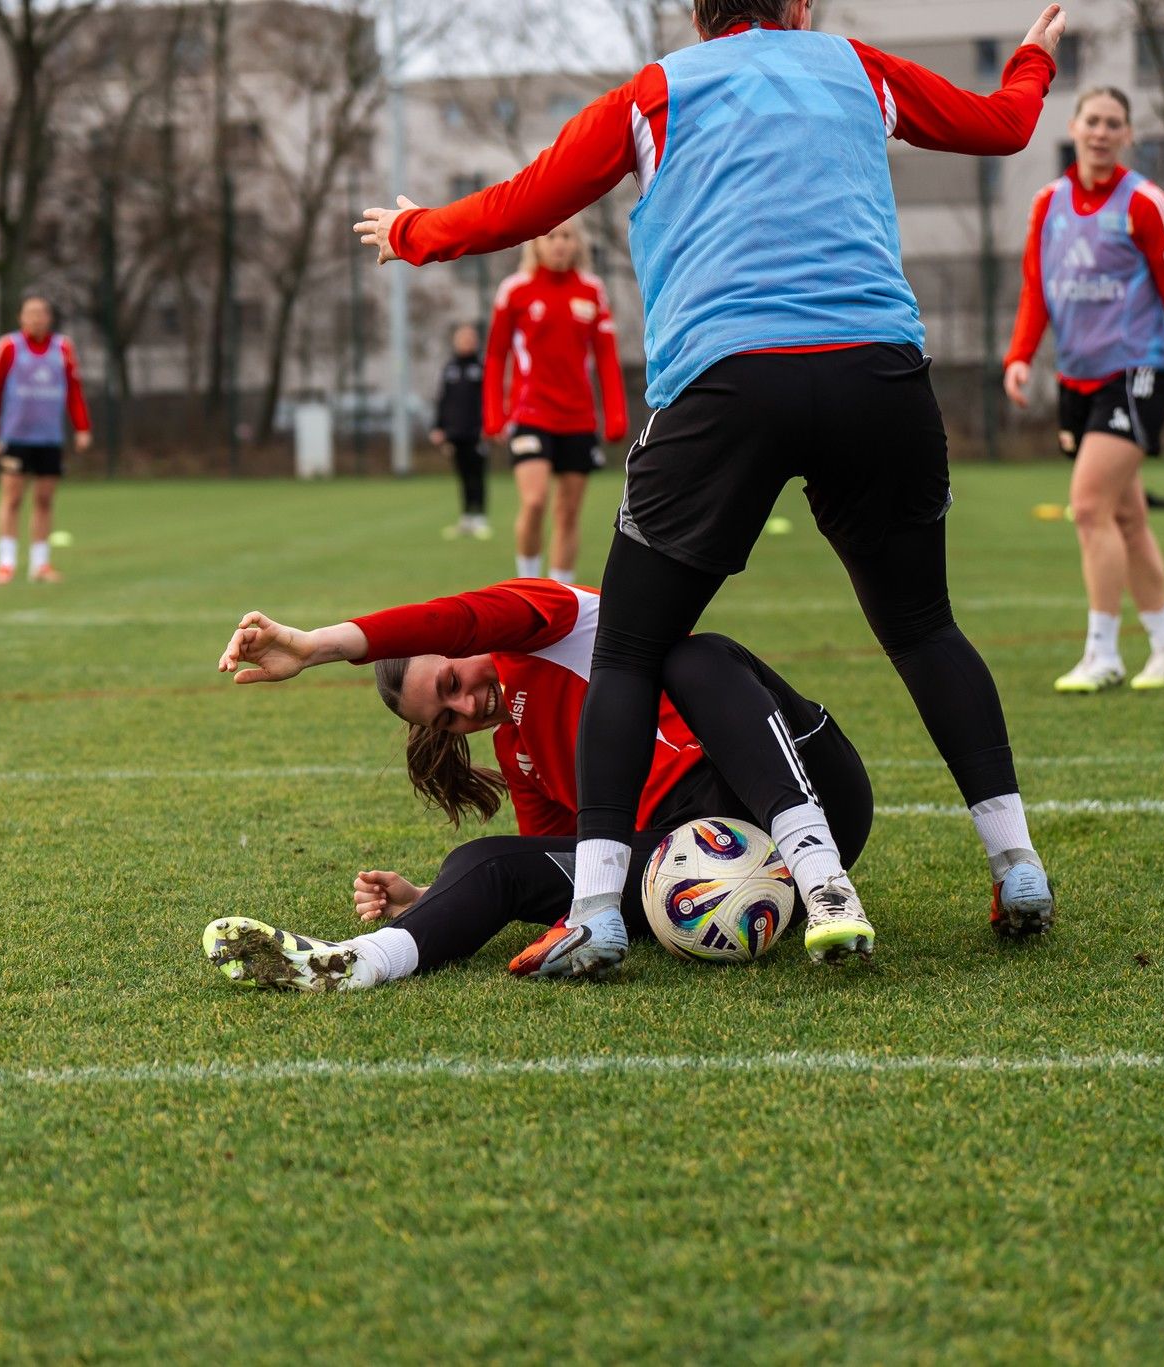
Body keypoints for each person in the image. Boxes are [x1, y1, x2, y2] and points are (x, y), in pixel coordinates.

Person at [355, 0, 1067, 979]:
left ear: (697, 14)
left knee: (634, 649)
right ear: (800, 7)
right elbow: (1004, 126)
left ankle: (598, 911)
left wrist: (412, 230)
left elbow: (525, 203)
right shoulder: (853, 66)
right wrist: (1030, 58)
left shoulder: (657, 90)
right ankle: (1015, 859)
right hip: (878, 373)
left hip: (725, 382)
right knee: (921, 626)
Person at [201, 577, 875, 989]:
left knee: (702, 656)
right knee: (484, 860)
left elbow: (457, 617)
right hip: (693, 875)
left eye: (451, 682)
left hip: (804, 788)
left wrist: (318, 645)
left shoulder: (551, 625)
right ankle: (357, 963)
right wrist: (432, 898)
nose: (466, 706)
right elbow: (559, 867)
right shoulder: (517, 751)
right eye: (446, 717)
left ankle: (825, 880)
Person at [1003, 86, 1164, 693]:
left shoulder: (1148, 204)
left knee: (1089, 507)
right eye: (1092, 121)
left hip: (1136, 376)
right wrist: (1020, 355)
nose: (1101, 132)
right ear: (1073, 127)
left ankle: (1103, 654)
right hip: (1076, 380)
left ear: (1127, 135)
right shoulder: (1048, 204)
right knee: (1127, 518)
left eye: (1114, 124)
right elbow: (1034, 288)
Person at [484, 221, 629, 582]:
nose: (560, 244)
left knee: (567, 513)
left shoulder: (592, 291)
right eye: (551, 236)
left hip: (578, 419)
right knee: (534, 502)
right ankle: (528, 587)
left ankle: (560, 600)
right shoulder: (514, 290)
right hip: (530, 413)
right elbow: (495, 355)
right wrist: (494, 414)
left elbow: (607, 358)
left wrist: (615, 415)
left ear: (577, 243)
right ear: (536, 243)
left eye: (567, 236)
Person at [0, 294, 91, 585]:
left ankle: (40, 565)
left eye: (41, 313)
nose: (36, 318)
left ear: (49, 318)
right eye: (30, 313)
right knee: (12, 498)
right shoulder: (8, 347)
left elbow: (74, 390)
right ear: (21, 318)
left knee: (44, 499)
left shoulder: (63, 348)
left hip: (49, 438)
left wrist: (82, 427)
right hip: (16, 436)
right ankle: (6, 564)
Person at [430, 323, 491, 540]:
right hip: (455, 433)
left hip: (477, 432)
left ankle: (481, 518)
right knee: (463, 475)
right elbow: (441, 400)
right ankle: (466, 518)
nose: (466, 342)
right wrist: (438, 427)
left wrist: (489, 425)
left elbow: (490, 399)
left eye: (470, 338)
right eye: (462, 338)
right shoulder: (448, 369)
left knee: (478, 475)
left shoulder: (483, 367)